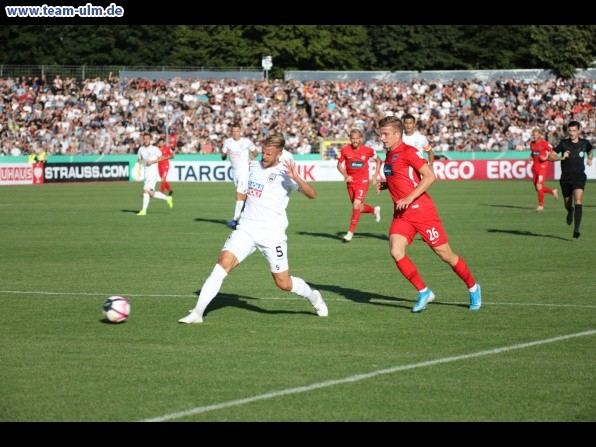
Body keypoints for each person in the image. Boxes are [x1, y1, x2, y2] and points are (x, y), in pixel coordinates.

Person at [179, 132, 328, 324]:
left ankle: (313, 296)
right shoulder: (253, 166)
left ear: (279, 154)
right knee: (222, 264)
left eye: (268, 154)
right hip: (246, 229)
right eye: (263, 152)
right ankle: (198, 313)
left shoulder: (285, 174)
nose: (263, 157)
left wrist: (296, 177)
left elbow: (312, 194)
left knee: (283, 283)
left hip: (271, 234)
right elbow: (242, 192)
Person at [375, 116, 481, 312]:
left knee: (446, 255)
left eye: (385, 134)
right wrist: (386, 184)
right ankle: (424, 292)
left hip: (422, 212)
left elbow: (430, 176)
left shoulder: (409, 151)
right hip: (402, 215)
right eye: (381, 134)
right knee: (396, 251)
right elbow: (402, 178)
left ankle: (473, 287)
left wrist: (409, 197)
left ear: (397, 135)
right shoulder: (389, 155)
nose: (382, 138)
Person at [549, 120, 593, 238]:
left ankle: (576, 229)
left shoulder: (584, 143)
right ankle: (570, 210)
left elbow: (590, 151)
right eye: (570, 130)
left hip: (579, 176)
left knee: (578, 199)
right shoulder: (563, 144)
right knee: (568, 203)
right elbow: (550, 156)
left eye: (574, 130)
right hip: (566, 178)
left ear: (578, 130)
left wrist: (590, 158)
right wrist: (561, 158)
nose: (572, 133)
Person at [336, 128, 382, 242]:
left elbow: (379, 161)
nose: (355, 141)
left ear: (361, 139)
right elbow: (339, 165)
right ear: (350, 139)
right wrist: (346, 176)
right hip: (350, 183)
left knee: (356, 205)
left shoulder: (368, 150)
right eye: (353, 138)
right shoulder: (345, 150)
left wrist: (375, 175)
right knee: (358, 207)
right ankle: (374, 211)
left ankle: (350, 233)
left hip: (363, 182)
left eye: (357, 138)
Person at [221, 122, 258, 229]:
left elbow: (255, 152)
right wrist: (224, 154)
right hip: (234, 171)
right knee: (243, 196)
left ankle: (234, 220)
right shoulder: (227, 142)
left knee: (238, 195)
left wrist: (251, 159)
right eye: (233, 131)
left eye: (237, 131)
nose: (235, 133)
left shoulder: (246, 142)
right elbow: (223, 157)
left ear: (240, 131)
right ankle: (247, 217)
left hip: (244, 170)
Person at [136, 133, 173, 216]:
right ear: (143, 139)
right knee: (151, 193)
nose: (146, 140)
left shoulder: (155, 149)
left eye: (148, 139)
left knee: (145, 190)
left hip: (153, 173)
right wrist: (139, 167)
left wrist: (152, 161)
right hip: (146, 172)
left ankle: (143, 210)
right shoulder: (141, 149)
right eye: (145, 139)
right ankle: (168, 198)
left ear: (150, 140)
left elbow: (162, 157)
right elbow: (139, 159)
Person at [528, 128, 558, 211]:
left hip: (543, 166)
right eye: (533, 135)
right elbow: (533, 152)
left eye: (536, 135)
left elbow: (553, 151)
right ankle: (553, 191)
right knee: (538, 188)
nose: (535, 136)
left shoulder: (544, 143)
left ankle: (540, 206)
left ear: (539, 135)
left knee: (539, 186)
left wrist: (546, 157)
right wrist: (530, 157)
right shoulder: (532, 144)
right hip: (535, 167)